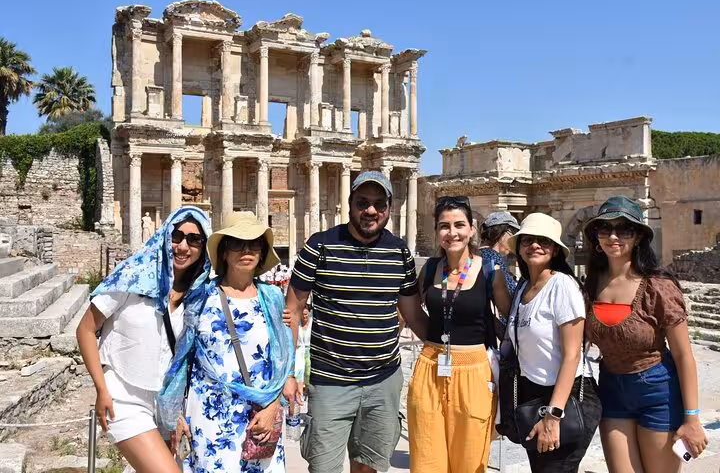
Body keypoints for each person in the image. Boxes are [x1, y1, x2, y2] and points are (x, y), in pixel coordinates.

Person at [285, 170, 429, 473]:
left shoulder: (399, 251)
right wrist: (289, 372)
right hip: (330, 382)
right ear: (349, 203)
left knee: (368, 467)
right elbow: (293, 311)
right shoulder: (320, 245)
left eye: (379, 203)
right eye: (363, 202)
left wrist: (452, 345)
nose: (371, 210)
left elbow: (414, 314)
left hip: (383, 381)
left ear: (390, 207)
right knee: (323, 468)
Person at [76, 206, 212, 473]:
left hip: (163, 407)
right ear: (164, 235)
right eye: (177, 236)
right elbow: (85, 329)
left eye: (194, 240)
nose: (183, 246)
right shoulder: (132, 275)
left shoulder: (198, 294)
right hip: (122, 399)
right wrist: (102, 389)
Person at [161, 211, 296, 472]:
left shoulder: (272, 297)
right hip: (210, 415)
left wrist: (272, 408)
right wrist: (175, 414)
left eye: (254, 244)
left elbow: (281, 361)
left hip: (261, 416)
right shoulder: (201, 296)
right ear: (223, 251)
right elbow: (180, 359)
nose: (246, 250)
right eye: (236, 243)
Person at [582, 196, 708, 472]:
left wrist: (692, 419)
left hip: (657, 390)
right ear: (596, 237)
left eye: (624, 229)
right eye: (605, 229)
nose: (613, 236)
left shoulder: (658, 287)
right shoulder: (590, 286)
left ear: (638, 237)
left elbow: (684, 355)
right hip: (612, 389)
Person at [407, 196, 511, 473]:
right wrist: (433, 341)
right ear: (436, 230)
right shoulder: (429, 269)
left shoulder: (491, 271)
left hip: (474, 371)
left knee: (470, 461)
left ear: (472, 228)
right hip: (431, 367)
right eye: (444, 226)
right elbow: (411, 311)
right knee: (427, 459)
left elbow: (511, 319)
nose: (452, 233)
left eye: (459, 225)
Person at [506, 213, 601, 473]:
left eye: (543, 240)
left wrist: (552, 416)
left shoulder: (562, 286)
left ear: (556, 249)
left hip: (565, 399)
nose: (534, 245)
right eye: (528, 240)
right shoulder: (523, 287)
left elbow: (572, 355)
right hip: (534, 396)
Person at [479, 210, 521, 296]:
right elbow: (510, 294)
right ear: (503, 232)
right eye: (513, 233)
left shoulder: (477, 256)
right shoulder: (494, 259)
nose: (515, 240)